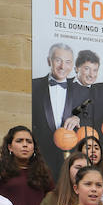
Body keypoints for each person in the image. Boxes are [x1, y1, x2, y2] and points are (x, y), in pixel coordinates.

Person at [31, 43, 76, 175]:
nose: (63, 66)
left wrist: (76, 116)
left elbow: (86, 111)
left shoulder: (79, 90)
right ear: (49, 61)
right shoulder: (34, 86)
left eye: (68, 62)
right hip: (40, 158)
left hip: (70, 158)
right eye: (58, 60)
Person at [65, 50, 103, 134]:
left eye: (95, 70)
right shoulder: (61, 86)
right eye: (87, 69)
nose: (91, 75)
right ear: (76, 69)